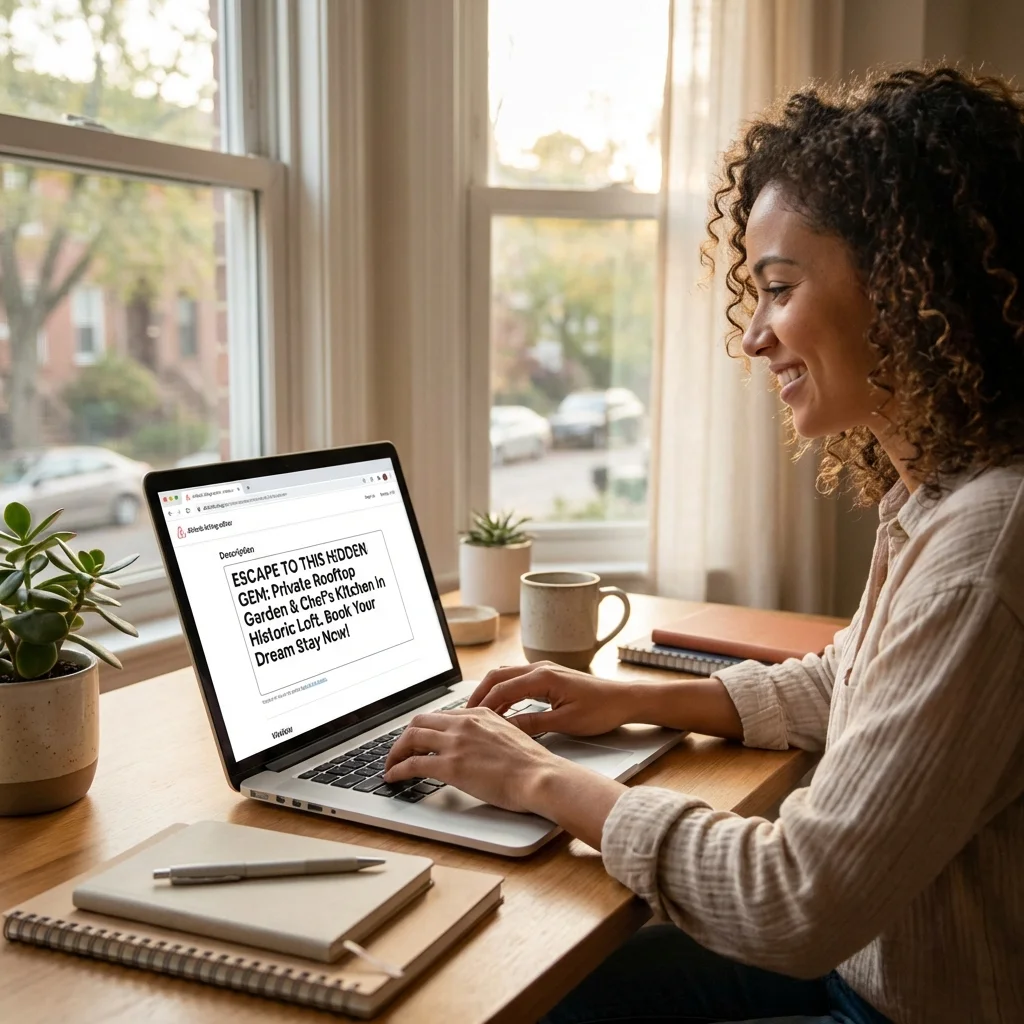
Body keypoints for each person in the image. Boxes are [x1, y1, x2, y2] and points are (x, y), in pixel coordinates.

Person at [383, 66, 1024, 1024]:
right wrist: (630, 699)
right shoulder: (939, 494)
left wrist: (532, 776)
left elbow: (797, 898)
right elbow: (852, 680)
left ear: (903, 281)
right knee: (558, 990)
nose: (755, 336)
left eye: (778, 288)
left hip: (909, 1006)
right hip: (865, 970)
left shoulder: (985, 546)